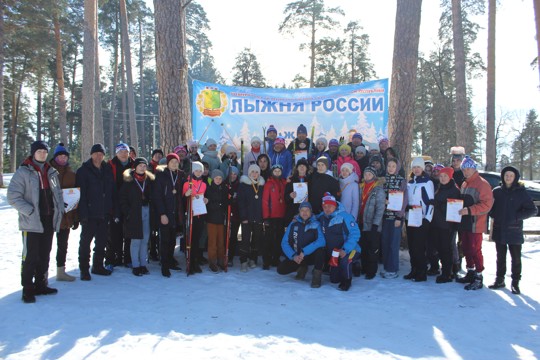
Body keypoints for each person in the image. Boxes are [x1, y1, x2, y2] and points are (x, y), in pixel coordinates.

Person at [8, 141, 64, 303]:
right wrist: (30, 211)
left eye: (45, 151)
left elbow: (57, 194)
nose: (42, 154)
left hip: (48, 219)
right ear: (33, 153)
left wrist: (59, 209)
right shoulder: (23, 172)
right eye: (39, 151)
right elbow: (13, 197)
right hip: (32, 222)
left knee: (44, 254)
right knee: (30, 256)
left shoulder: (50, 171)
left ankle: (41, 284)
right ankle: (27, 289)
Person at [488, 166, 536, 294]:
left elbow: (532, 209)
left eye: (511, 175)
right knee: (500, 257)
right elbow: (491, 206)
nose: (508, 178)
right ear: (503, 176)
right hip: (499, 228)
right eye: (506, 175)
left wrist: (517, 216)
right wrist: (494, 214)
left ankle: (515, 282)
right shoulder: (497, 191)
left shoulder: (521, 192)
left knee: (515, 258)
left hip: (514, 230)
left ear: (515, 177)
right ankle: (500, 279)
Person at [76, 143, 115, 280]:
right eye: (96, 153)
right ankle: (84, 269)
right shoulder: (83, 171)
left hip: (104, 212)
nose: (98, 156)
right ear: (91, 154)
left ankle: (98, 266)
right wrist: (83, 214)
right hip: (90, 213)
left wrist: (111, 209)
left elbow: (111, 190)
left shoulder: (107, 169)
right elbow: (81, 195)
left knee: (102, 242)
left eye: (101, 154)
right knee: (86, 243)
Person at [455, 156, 494, 290]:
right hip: (464, 223)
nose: (465, 171)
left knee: (475, 250)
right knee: (465, 248)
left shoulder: (482, 184)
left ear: (473, 168)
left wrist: (470, 210)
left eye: (468, 169)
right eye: (463, 169)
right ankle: (470, 272)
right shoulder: (465, 183)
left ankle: (478, 276)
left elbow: (487, 204)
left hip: (475, 224)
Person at [318, 193, 361, 291]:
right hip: (335, 253)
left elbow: (355, 234)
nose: (327, 208)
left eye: (330, 206)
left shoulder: (345, 216)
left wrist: (345, 249)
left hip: (350, 249)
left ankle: (348, 280)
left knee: (346, 260)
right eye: (325, 206)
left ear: (335, 205)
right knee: (334, 279)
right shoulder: (322, 217)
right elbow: (312, 218)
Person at [277, 202, 326, 288]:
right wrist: (293, 256)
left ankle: (316, 276)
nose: (305, 212)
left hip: (310, 255)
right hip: (297, 256)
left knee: (320, 251)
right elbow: (284, 243)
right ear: (299, 212)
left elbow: (321, 241)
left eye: (307, 210)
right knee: (281, 269)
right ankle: (302, 267)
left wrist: (304, 251)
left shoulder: (316, 224)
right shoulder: (293, 224)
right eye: (302, 210)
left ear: (311, 211)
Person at [120, 157, 155, 276]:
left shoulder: (149, 180)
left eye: (144, 166)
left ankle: (143, 265)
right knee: (136, 240)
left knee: (145, 239)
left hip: (147, 210)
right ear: (135, 167)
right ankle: (135, 265)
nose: (142, 168)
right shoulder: (129, 180)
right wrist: (128, 212)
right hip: (134, 213)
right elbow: (122, 199)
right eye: (140, 165)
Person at [49, 143, 78, 282]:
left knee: (63, 245)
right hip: (49, 214)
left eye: (65, 156)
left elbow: (75, 195)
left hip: (66, 215)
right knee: (45, 245)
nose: (63, 158)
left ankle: (61, 271)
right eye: (60, 155)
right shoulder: (47, 171)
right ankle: (42, 272)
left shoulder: (71, 174)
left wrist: (75, 216)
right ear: (55, 157)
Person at [153, 153, 184, 278]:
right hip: (165, 213)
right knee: (165, 240)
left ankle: (171, 261)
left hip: (175, 213)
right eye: (172, 162)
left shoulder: (180, 175)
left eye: (176, 162)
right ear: (168, 163)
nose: (174, 164)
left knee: (172, 240)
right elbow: (157, 197)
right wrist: (162, 213)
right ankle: (164, 266)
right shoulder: (161, 176)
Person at [404, 157, 434, 282]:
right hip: (410, 217)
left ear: (422, 168)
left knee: (419, 246)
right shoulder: (410, 182)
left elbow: (431, 202)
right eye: (414, 167)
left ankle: (422, 272)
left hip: (421, 219)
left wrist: (427, 219)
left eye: (418, 167)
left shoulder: (427, 182)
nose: (416, 169)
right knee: (411, 246)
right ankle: (414, 269)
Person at [431, 167, 461, 283]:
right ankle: (446, 270)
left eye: (445, 176)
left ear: (450, 177)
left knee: (446, 249)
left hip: (447, 225)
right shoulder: (440, 187)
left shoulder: (454, 190)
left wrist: (438, 204)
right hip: (437, 222)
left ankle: (447, 273)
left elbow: (454, 207)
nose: (443, 178)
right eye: (441, 176)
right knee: (440, 248)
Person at [107, 142, 134, 268]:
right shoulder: (110, 165)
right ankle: (112, 259)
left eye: (126, 152)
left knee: (129, 232)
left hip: (130, 203)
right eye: (121, 152)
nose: (123, 154)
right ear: (116, 153)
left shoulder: (133, 165)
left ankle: (127, 258)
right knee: (114, 233)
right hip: (114, 203)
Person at [381, 158, 407, 279]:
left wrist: (399, 216)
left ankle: (392, 268)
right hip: (384, 216)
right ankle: (387, 266)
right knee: (385, 242)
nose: (391, 168)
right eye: (389, 166)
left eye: (393, 166)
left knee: (393, 243)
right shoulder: (383, 179)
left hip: (395, 217)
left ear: (397, 168)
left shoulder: (401, 181)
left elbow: (404, 200)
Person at [358, 166, 385, 279]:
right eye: (366, 174)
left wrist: (376, 224)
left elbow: (380, 208)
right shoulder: (361, 187)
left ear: (374, 176)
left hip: (373, 224)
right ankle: (364, 267)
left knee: (372, 248)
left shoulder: (378, 189)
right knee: (363, 247)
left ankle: (371, 271)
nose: (367, 176)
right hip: (362, 222)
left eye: (370, 174)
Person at [237, 164, 265, 272]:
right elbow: (241, 202)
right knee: (245, 239)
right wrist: (243, 216)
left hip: (258, 216)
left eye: (256, 172)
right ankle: (243, 261)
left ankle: (253, 259)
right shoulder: (244, 185)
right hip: (247, 217)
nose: (254, 174)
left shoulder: (262, 185)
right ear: (249, 173)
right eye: (252, 172)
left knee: (256, 239)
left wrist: (263, 216)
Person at [182, 161, 208, 274]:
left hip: (200, 215)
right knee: (190, 240)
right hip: (190, 214)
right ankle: (190, 262)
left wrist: (206, 200)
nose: (198, 172)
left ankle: (196, 262)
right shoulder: (187, 183)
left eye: (200, 171)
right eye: (196, 170)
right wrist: (186, 195)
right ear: (192, 171)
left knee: (197, 240)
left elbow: (204, 197)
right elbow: (182, 200)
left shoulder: (204, 184)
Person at [262, 164, 287, 269]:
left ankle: (275, 259)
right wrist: (266, 217)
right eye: (275, 171)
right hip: (271, 216)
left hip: (281, 215)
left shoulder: (284, 183)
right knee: (269, 239)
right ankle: (266, 261)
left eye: (279, 171)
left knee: (279, 239)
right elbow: (265, 201)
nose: (277, 173)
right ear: (272, 172)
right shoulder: (269, 184)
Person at [205, 169, 228, 273]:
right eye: (216, 178)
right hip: (211, 218)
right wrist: (217, 205)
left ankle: (220, 260)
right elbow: (208, 204)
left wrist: (220, 205)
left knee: (221, 241)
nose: (218, 180)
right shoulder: (209, 189)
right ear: (213, 178)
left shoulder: (224, 189)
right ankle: (212, 262)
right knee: (212, 242)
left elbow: (225, 203)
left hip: (221, 218)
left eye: (220, 178)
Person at [284, 158, 312, 224]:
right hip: (293, 211)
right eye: (300, 166)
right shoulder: (291, 180)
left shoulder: (311, 180)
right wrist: (290, 196)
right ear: (297, 168)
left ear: (307, 168)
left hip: (306, 211)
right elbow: (285, 197)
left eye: (304, 166)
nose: (302, 167)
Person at [225, 166, 241, 267]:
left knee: (233, 236)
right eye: (231, 174)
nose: (233, 176)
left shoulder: (240, 185)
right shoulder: (224, 184)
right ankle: (224, 255)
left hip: (236, 214)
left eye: (235, 174)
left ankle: (230, 257)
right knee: (225, 235)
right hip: (225, 214)